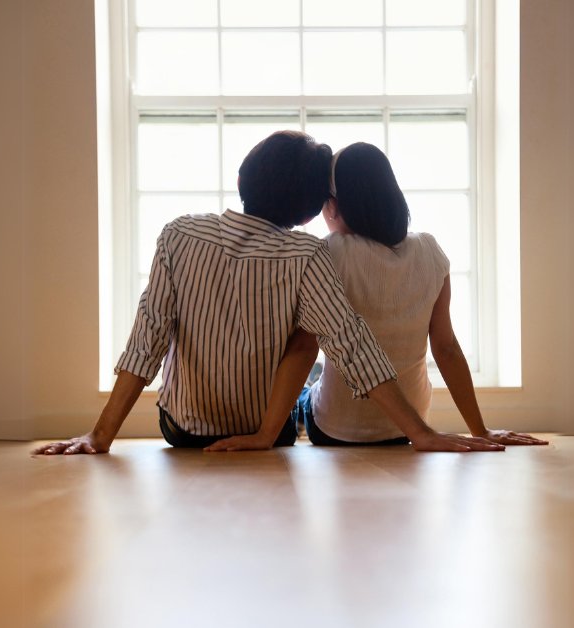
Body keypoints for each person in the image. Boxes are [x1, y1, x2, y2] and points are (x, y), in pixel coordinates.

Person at [34, 132, 505, 456]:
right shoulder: (307, 254)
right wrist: (420, 432)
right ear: (308, 214)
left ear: (242, 180)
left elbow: (148, 338)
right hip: (271, 433)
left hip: (181, 431)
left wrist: (101, 436)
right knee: (308, 364)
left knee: (303, 365)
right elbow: (352, 342)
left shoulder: (177, 235)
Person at [206, 143, 547, 451]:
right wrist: (480, 429)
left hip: (334, 429)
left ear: (335, 207)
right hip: (409, 427)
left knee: (305, 382)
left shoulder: (328, 252)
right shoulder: (430, 251)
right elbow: (446, 347)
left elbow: (304, 346)